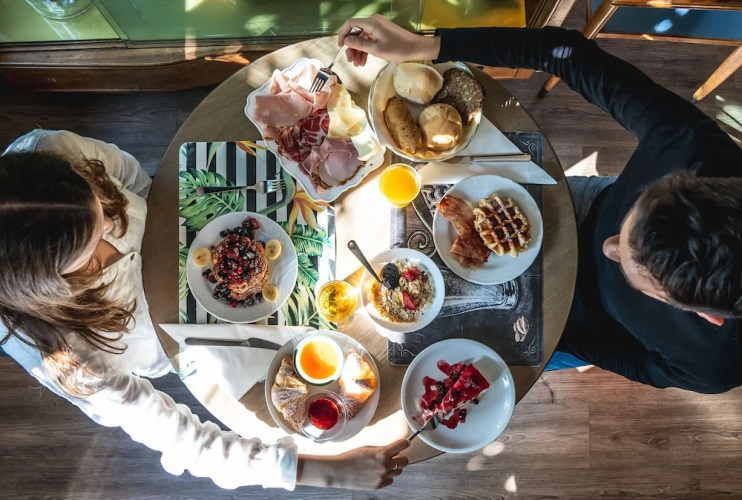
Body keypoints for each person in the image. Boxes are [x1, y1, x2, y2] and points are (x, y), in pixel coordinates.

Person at [338, 16, 742, 393]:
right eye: (629, 223)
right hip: (576, 206)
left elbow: (641, 365)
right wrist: (428, 46)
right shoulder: (691, 146)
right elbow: (564, 53)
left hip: (582, 320)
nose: (608, 247)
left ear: (709, 316)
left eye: (630, 265)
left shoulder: (717, 364)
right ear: (680, 180)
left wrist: (552, 333)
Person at [0, 129, 409, 490]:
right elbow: (178, 437)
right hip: (185, 348)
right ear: (49, 282)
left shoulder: (50, 152)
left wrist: (181, 226)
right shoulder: (59, 351)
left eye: (102, 207)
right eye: (91, 246)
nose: (110, 225)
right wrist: (324, 472)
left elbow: (130, 175)